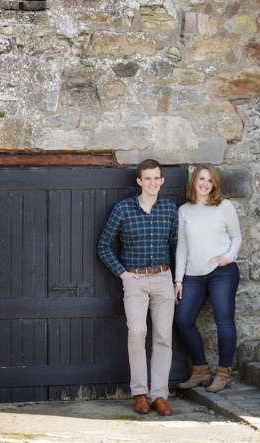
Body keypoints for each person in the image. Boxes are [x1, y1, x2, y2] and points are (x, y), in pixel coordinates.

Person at [97, 159, 179, 416]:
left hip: (164, 277)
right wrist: (123, 274)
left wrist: (178, 280)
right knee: (137, 331)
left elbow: (178, 247)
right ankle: (140, 394)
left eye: (157, 178)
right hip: (135, 280)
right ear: (139, 181)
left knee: (163, 337)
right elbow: (103, 245)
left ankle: (159, 396)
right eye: (148, 178)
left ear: (162, 180)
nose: (153, 183)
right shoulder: (123, 209)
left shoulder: (169, 209)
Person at [173, 164, 241, 393]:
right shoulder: (184, 210)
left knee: (224, 321)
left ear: (214, 185)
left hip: (221, 272)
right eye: (201, 179)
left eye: (209, 180)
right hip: (193, 274)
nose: (204, 184)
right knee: (183, 320)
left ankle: (223, 373)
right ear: (194, 181)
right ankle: (201, 370)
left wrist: (228, 258)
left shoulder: (224, 206)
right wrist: (178, 280)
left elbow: (236, 236)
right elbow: (182, 247)